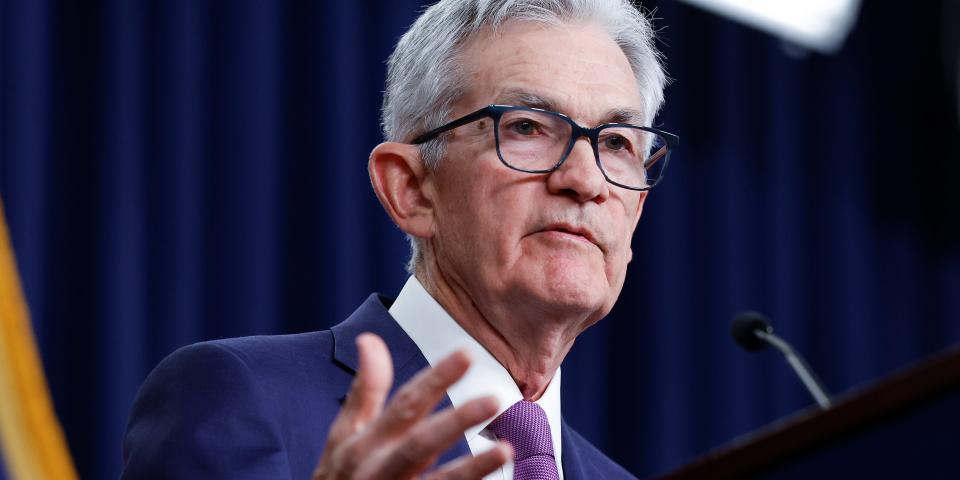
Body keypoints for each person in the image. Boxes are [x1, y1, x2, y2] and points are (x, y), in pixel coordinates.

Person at [121, 0, 675, 478]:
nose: (584, 180)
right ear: (410, 188)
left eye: (617, 143)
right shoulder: (240, 399)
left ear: (637, 210)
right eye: (527, 127)